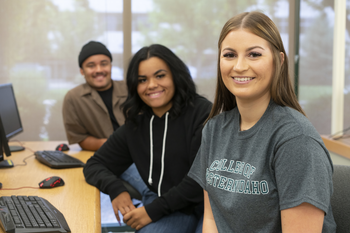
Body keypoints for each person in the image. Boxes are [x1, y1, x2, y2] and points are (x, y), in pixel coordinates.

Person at [188, 11, 337, 233]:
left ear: (279, 60)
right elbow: (212, 219)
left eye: (254, 54)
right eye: (229, 55)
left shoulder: (296, 140)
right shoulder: (214, 129)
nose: (239, 66)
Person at [83, 44, 212, 232]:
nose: (151, 85)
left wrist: (151, 211)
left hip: (209, 206)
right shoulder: (137, 123)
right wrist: (116, 189)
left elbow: (199, 181)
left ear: (175, 76)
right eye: (142, 80)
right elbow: (94, 165)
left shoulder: (203, 113)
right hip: (172, 208)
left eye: (160, 76)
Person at [62, 41, 127, 151]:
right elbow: (80, 138)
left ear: (111, 66)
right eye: (91, 66)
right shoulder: (73, 98)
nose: (99, 70)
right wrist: (111, 145)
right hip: (104, 156)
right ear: (82, 71)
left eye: (104, 64)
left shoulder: (130, 88)